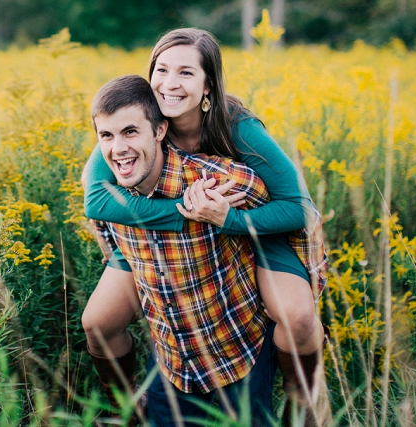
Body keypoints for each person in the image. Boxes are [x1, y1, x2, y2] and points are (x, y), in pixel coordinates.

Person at [81, 29, 328, 426]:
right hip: (159, 228)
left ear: (208, 84)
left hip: (252, 223)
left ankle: (303, 409)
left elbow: (298, 208)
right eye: (161, 69)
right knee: (97, 322)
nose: (170, 84)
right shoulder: (139, 116)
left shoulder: (237, 126)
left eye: (186, 73)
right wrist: (183, 214)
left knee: (298, 316)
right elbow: (95, 200)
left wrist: (229, 220)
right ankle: (126, 408)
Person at [88, 74, 279, 426]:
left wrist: (302, 296)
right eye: (107, 136)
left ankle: (305, 400)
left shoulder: (219, 183)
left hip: (238, 352)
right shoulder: (108, 196)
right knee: (96, 323)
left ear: (160, 131)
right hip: (173, 365)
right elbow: (101, 229)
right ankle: (125, 403)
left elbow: (292, 217)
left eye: (130, 132)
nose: (118, 148)